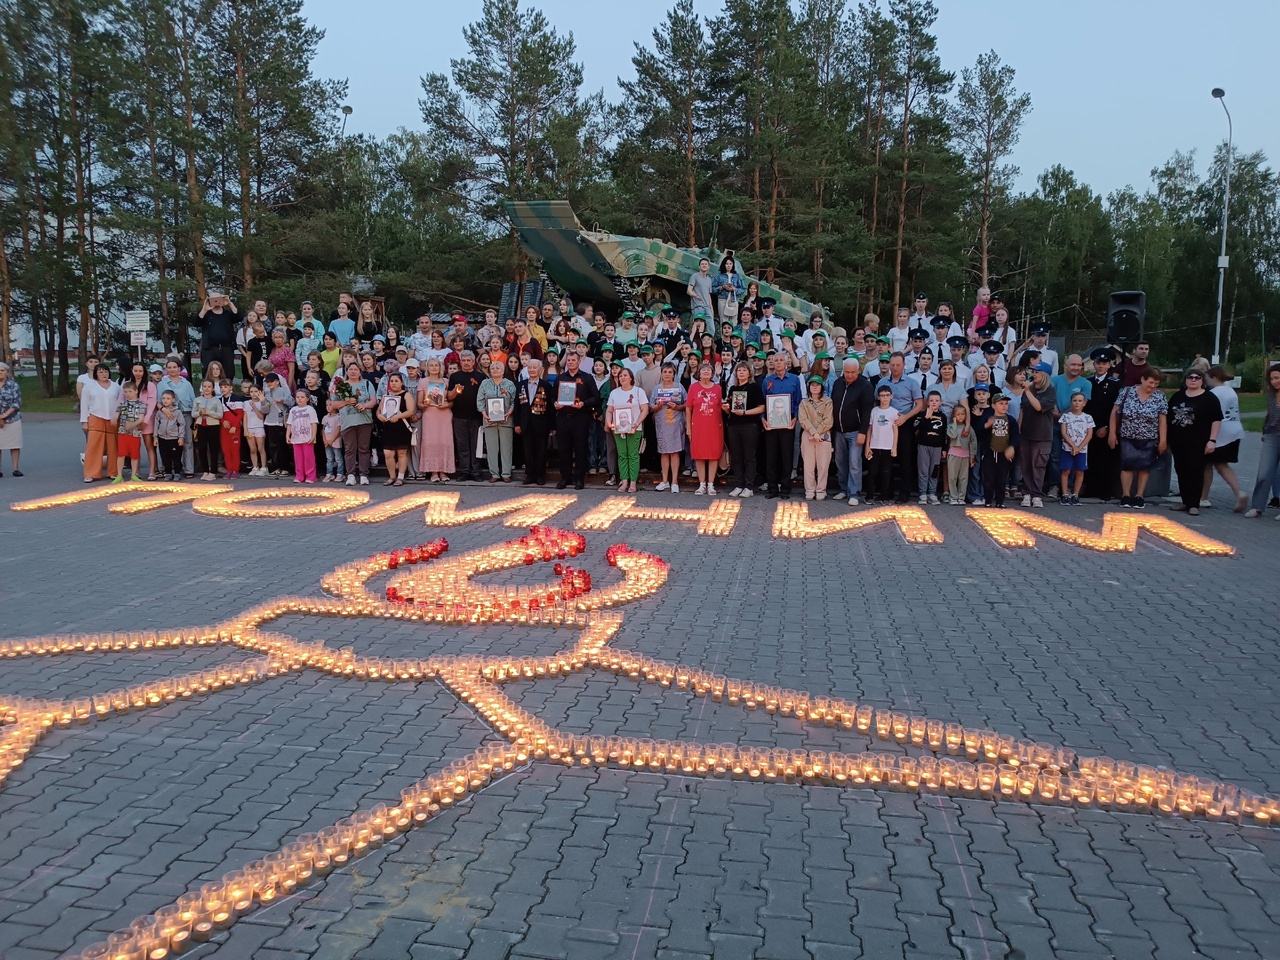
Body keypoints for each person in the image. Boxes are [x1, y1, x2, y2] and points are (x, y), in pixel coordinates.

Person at [1165, 368, 1222, 516]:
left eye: (1197, 377)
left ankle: (1194, 504)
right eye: (1190, 377)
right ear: (1185, 380)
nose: (1193, 380)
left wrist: (1212, 440)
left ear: (1202, 381)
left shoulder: (1209, 398)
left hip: (1198, 441)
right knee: (1181, 470)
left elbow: (1216, 420)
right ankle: (1185, 501)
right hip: (1177, 441)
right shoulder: (1177, 396)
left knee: (1195, 471)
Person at [1109, 367, 1167, 509]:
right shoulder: (1126, 392)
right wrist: (1111, 433)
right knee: (1127, 466)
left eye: (1156, 383)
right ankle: (1126, 495)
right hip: (1127, 435)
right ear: (1143, 379)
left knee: (1144, 468)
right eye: (1150, 382)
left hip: (1149, 437)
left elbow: (1162, 420)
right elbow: (1114, 413)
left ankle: (1140, 495)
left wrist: (1163, 440)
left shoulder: (1160, 396)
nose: (1153, 386)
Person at [876, 353, 924, 502]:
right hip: (885, 425)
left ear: (904, 365)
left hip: (904, 423)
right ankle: (886, 492)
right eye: (892, 365)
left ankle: (905, 493)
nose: (895, 368)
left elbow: (920, 404)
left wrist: (906, 416)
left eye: (898, 365)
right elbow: (875, 402)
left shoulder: (911, 383)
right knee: (885, 459)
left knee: (905, 459)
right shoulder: (882, 382)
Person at [1202, 366, 1249, 512]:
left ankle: (1205, 497)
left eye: (1207, 378)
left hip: (1220, 433)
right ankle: (1205, 497)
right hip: (1235, 430)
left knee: (1212, 464)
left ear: (1213, 377)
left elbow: (1212, 415)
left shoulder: (1214, 393)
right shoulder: (1230, 390)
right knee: (1219, 464)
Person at [554, 352, 600, 490]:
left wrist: (584, 404)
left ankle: (579, 479)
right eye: (568, 360)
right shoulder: (560, 378)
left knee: (580, 449)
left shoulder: (587, 378)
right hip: (563, 418)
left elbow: (596, 397)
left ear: (579, 362)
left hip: (580, 418)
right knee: (563, 450)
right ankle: (565, 478)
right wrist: (555, 404)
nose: (570, 362)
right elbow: (552, 397)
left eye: (573, 360)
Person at [761, 352, 802, 500]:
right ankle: (772, 489)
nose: (778, 362)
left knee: (786, 456)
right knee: (771, 456)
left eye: (781, 360)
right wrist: (762, 419)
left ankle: (785, 489)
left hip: (787, 422)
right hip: (771, 423)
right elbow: (763, 403)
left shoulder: (795, 380)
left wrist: (795, 418)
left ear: (787, 363)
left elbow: (798, 402)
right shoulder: (767, 381)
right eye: (775, 360)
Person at [1083, 347, 1122, 501]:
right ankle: (1090, 488)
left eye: (1104, 363)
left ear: (1109, 365)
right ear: (1094, 364)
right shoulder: (1088, 382)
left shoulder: (1115, 383)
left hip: (1106, 426)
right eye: (1098, 363)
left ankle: (1105, 491)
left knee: (1106, 460)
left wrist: (1107, 427)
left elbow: (1116, 409)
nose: (1101, 366)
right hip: (1089, 426)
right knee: (1090, 458)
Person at [1018, 363, 1057, 508]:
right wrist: (1019, 429)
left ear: (1044, 375)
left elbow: (1039, 407)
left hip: (1042, 434)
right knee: (1026, 464)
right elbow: (1023, 410)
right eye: (1033, 371)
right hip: (1026, 433)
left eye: (1037, 372)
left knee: (1038, 465)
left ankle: (1037, 494)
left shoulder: (1050, 391)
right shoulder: (1029, 390)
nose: (1033, 374)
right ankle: (1026, 493)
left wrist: (1027, 390)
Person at [329, 362, 376, 485]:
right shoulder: (340, 385)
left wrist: (364, 405)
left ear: (360, 371)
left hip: (364, 421)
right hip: (347, 422)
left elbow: (373, 401)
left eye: (356, 369)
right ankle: (350, 474)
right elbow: (333, 404)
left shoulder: (366, 384)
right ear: (347, 371)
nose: (353, 371)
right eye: (351, 369)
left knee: (364, 448)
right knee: (350, 449)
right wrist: (347, 402)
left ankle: (364, 474)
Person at [605, 366, 648, 494]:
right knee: (622, 455)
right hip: (618, 429)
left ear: (631, 377)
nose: (622, 377)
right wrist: (609, 422)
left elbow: (645, 409)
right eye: (620, 376)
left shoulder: (638, 391)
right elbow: (609, 410)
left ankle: (633, 483)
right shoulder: (614, 393)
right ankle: (624, 482)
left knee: (633, 455)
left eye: (625, 375)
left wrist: (636, 423)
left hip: (635, 428)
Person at [1245, 363, 1280, 518]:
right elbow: (1269, 415)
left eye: (1277, 378)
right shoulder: (1272, 395)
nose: (1274, 381)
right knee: (1265, 471)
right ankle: (1257, 506)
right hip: (1272, 435)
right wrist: (1265, 431)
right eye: (1272, 378)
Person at [686, 361, 724, 496]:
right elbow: (688, 408)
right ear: (699, 374)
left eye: (709, 370)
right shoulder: (693, 387)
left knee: (713, 455)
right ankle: (702, 484)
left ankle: (711, 484)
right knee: (699, 455)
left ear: (713, 373)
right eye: (703, 370)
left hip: (714, 426)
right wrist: (688, 427)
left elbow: (721, 406)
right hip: (698, 426)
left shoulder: (718, 388)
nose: (706, 372)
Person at [514, 358, 554, 486]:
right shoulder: (520, 385)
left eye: (534, 368)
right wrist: (517, 424)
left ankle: (540, 476)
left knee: (541, 451)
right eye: (530, 368)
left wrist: (552, 425)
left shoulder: (546, 385)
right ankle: (530, 475)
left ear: (540, 370)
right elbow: (517, 406)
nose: (532, 370)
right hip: (525, 423)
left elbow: (550, 408)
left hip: (541, 423)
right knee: (528, 451)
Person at [81, 364, 122, 483]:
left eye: (106, 372)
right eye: (100, 372)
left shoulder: (115, 386)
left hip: (112, 419)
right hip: (95, 417)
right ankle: (90, 473)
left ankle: (113, 472)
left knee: (113, 446)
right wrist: (84, 421)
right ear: (96, 374)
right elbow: (84, 404)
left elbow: (120, 402)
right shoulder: (89, 387)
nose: (104, 374)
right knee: (93, 446)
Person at [649, 363, 687, 493]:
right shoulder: (656, 389)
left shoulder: (679, 387)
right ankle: (664, 481)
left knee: (675, 451)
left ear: (674, 374)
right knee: (664, 451)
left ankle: (675, 481)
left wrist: (677, 407)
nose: (667, 374)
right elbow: (651, 406)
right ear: (661, 373)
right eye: (665, 372)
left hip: (676, 422)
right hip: (662, 423)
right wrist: (657, 407)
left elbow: (686, 404)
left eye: (670, 372)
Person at [477, 359, 516, 483]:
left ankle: (506, 473)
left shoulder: (509, 384)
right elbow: (480, 400)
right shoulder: (485, 383)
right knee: (491, 448)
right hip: (489, 420)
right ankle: (494, 473)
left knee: (506, 448)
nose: (495, 370)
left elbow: (515, 401)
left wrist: (509, 412)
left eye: (498, 368)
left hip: (506, 420)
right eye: (493, 368)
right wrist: (484, 414)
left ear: (503, 371)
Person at [447, 351, 485, 481]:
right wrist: (456, 392)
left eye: (469, 360)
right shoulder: (455, 377)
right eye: (464, 361)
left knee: (475, 445)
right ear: (460, 362)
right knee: (462, 445)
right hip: (459, 416)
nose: (466, 363)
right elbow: (449, 397)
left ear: (474, 362)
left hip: (476, 416)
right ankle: (464, 471)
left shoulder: (481, 377)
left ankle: (476, 472)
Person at [416, 358, 455, 483]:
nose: (434, 368)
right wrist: (425, 405)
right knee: (431, 441)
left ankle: (443, 471)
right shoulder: (423, 381)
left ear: (440, 368)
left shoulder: (446, 381)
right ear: (427, 368)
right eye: (431, 365)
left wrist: (447, 405)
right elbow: (419, 404)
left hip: (444, 414)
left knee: (444, 441)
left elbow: (451, 401)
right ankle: (433, 472)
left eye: (436, 365)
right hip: (430, 415)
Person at [374, 372, 415, 486]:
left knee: (402, 453)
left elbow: (411, 411)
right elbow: (379, 410)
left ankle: (400, 477)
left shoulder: (406, 395)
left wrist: (398, 416)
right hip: (389, 428)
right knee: (388, 454)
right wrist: (380, 416)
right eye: (391, 381)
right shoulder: (386, 396)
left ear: (401, 382)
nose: (394, 383)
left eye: (396, 381)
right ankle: (392, 476)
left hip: (401, 427)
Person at [797, 376, 833, 500]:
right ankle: (810, 490)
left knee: (823, 465)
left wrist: (818, 433)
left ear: (822, 387)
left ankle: (821, 490)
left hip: (824, 435)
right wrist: (813, 433)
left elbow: (828, 420)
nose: (815, 387)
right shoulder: (804, 403)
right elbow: (803, 420)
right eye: (812, 385)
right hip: (808, 435)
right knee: (808, 465)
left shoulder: (828, 401)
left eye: (817, 385)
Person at [980, 393, 1018, 508]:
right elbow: (978, 431)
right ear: (993, 405)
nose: (1004, 406)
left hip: (1004, 454)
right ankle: (988, 500)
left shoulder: (1010, 420)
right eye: (1001, 403)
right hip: (990, 452)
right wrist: (986, 425)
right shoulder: (988, 418)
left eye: (1006, 404)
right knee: (989, 478)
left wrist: (1012, 446)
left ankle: (1000, 501)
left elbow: (1016, 435)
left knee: (1002, 478)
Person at [1057, 391, 1094, 505]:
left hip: (1082, 450)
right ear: (1071, 402)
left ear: (1084, 403)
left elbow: (1089, 434)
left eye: (1079, 401)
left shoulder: (1088, 417)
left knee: (1079, 471)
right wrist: (1073, 446)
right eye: (1074, 400)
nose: (1077, 403)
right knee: (1066, 470)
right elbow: (1064, 432)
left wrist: (1079, 447)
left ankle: (1076, 494)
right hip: (1067, 448)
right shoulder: (1066, 416)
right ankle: (1064, 494)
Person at [864, 385, 898, 503]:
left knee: (886, 472)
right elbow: (870, 428)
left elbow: (895, 430)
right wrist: (867, 446)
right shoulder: (874, 411)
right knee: (872, 472)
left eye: (887, 395)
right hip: (874, 445)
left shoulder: (894, 412)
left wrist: (894, 447)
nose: (885, 398)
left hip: (887, 447)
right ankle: (869, 496)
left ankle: (885, 496)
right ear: (878, 397)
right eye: (882, 395)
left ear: (891, 396)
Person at [195, 291, 240, 375]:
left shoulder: (227, 314)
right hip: (209, 348)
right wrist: (205, 309)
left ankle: (227, 387)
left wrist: (230, 303)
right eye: (213, 299)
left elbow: (238, 317)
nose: (216, 301)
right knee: (207, 371)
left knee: (228, 371)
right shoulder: (205, 313)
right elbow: (196, 323)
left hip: (226, 348)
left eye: (218, 299)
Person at [111, 381, 147, 483]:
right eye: (125, 392)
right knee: (121, 454)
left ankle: (134, 475)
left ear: (136, 391)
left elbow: (141, 419)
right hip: (122, 432)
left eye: (130, 391)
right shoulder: (122, 403)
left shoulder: (141, 405)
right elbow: (116, 414)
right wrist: (114, 418)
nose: (127, 394)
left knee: (135, 454)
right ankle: (119, 475)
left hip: (135, 433)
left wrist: (132, 425)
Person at [915, 391, 946, 504]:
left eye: (936, 401)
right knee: (923, 470)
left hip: (937, 447)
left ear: (940, 402)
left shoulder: (942, 417)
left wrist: (944, 449)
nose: (934, 403)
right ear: (927, 402)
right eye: (931, 400)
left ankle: (932, 493)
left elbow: (944, 433)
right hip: (924, 445)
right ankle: (923, 493)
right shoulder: (922, 414)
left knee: (934, 471)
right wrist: (926, 418)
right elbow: (916, 427)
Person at [190, 378, 224, 480]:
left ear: (213, 388)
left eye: (209, 387)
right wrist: (199, 413)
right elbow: (193, 413)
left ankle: (213, 471)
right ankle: (205, 470)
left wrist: (209, 413)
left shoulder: (216, 400)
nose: (207, 389)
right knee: (202, 448)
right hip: (201, 425)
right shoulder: (197, 400)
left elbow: (220, 415)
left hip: (213, 426)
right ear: (201, 387)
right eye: (204, 386)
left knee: (213, 449)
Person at [286, 388, 320, 483]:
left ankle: (311, 476)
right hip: (296, 438)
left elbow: (314, 423)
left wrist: (313, 436)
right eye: (297, 397)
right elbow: (289, 423)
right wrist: (287, 435)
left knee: (309, 458)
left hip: (307, 438)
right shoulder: (293, 410)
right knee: (298, 458)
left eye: (302, 397)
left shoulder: (310, 409)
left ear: (307, 399)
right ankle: (299, 475)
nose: (299, 399)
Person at [946, 405, 976, 505]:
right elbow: (952, 435)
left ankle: (961, 497)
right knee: (952, 477)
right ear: (954, 416)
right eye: (958, 414)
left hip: (965, 454)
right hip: (953, 454)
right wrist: (954, 423)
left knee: (963, 478)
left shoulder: (968, 428)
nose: (960, 416)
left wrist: (972, 455)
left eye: (962, 414)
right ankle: (953, 496)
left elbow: (973, 441)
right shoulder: (950, 426)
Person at [0, 362, 22, 476]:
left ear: (7, 373)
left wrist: (4, 416)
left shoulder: (13, 385)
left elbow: (17, 403)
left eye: (2, 370)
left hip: (12, 419)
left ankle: (15, 469)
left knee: (14, 444)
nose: (0, 372)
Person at [242, 384, 268, 477]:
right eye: (251, 392)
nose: (253, 394)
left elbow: (261, 417)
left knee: (260, 448)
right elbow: (245, 417)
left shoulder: (262, 403)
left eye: (256, 391)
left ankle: (264, 467)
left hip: (259, 428)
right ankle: (255, 466)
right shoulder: (246, 403)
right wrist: (245, 429)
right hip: (250, 428)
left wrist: (254, 408)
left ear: (260, 392)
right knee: (252, 449)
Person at [687, 257, 715, 323]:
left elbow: (708, 295)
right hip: (698, 305)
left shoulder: (709, 280)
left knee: (711, 328)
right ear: (699, 267)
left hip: (707, 307)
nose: (704, 265)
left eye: (706, 264)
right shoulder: (695, 276)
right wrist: (695, 296)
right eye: (702, 264)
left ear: (708, 267)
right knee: (698, 326)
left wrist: (711, 308)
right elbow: (689, 290)